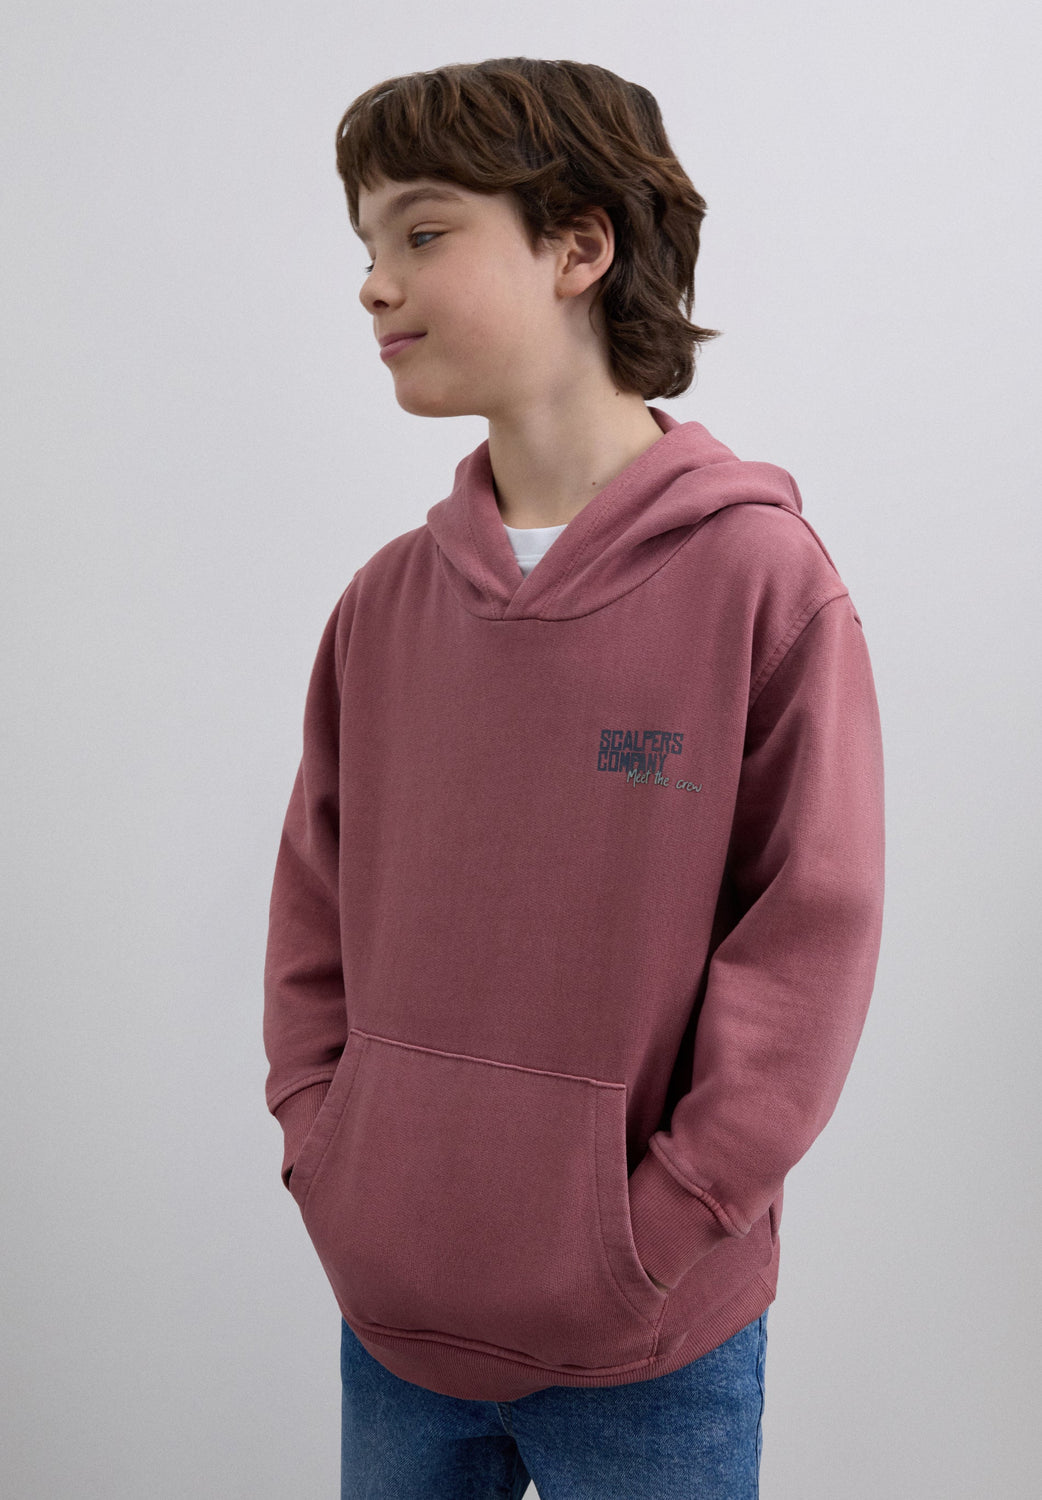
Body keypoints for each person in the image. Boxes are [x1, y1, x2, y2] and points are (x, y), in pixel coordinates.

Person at [263, 57, 885, 1500]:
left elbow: (810, 941)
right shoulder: (385, 604)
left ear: (579, 246)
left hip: (652, 1346)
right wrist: (330, 1160)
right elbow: (310, 920)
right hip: (397, 1319)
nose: (373, 283)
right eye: (366, 244)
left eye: (423, 232)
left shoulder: (760, 581)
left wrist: (655, 1230)